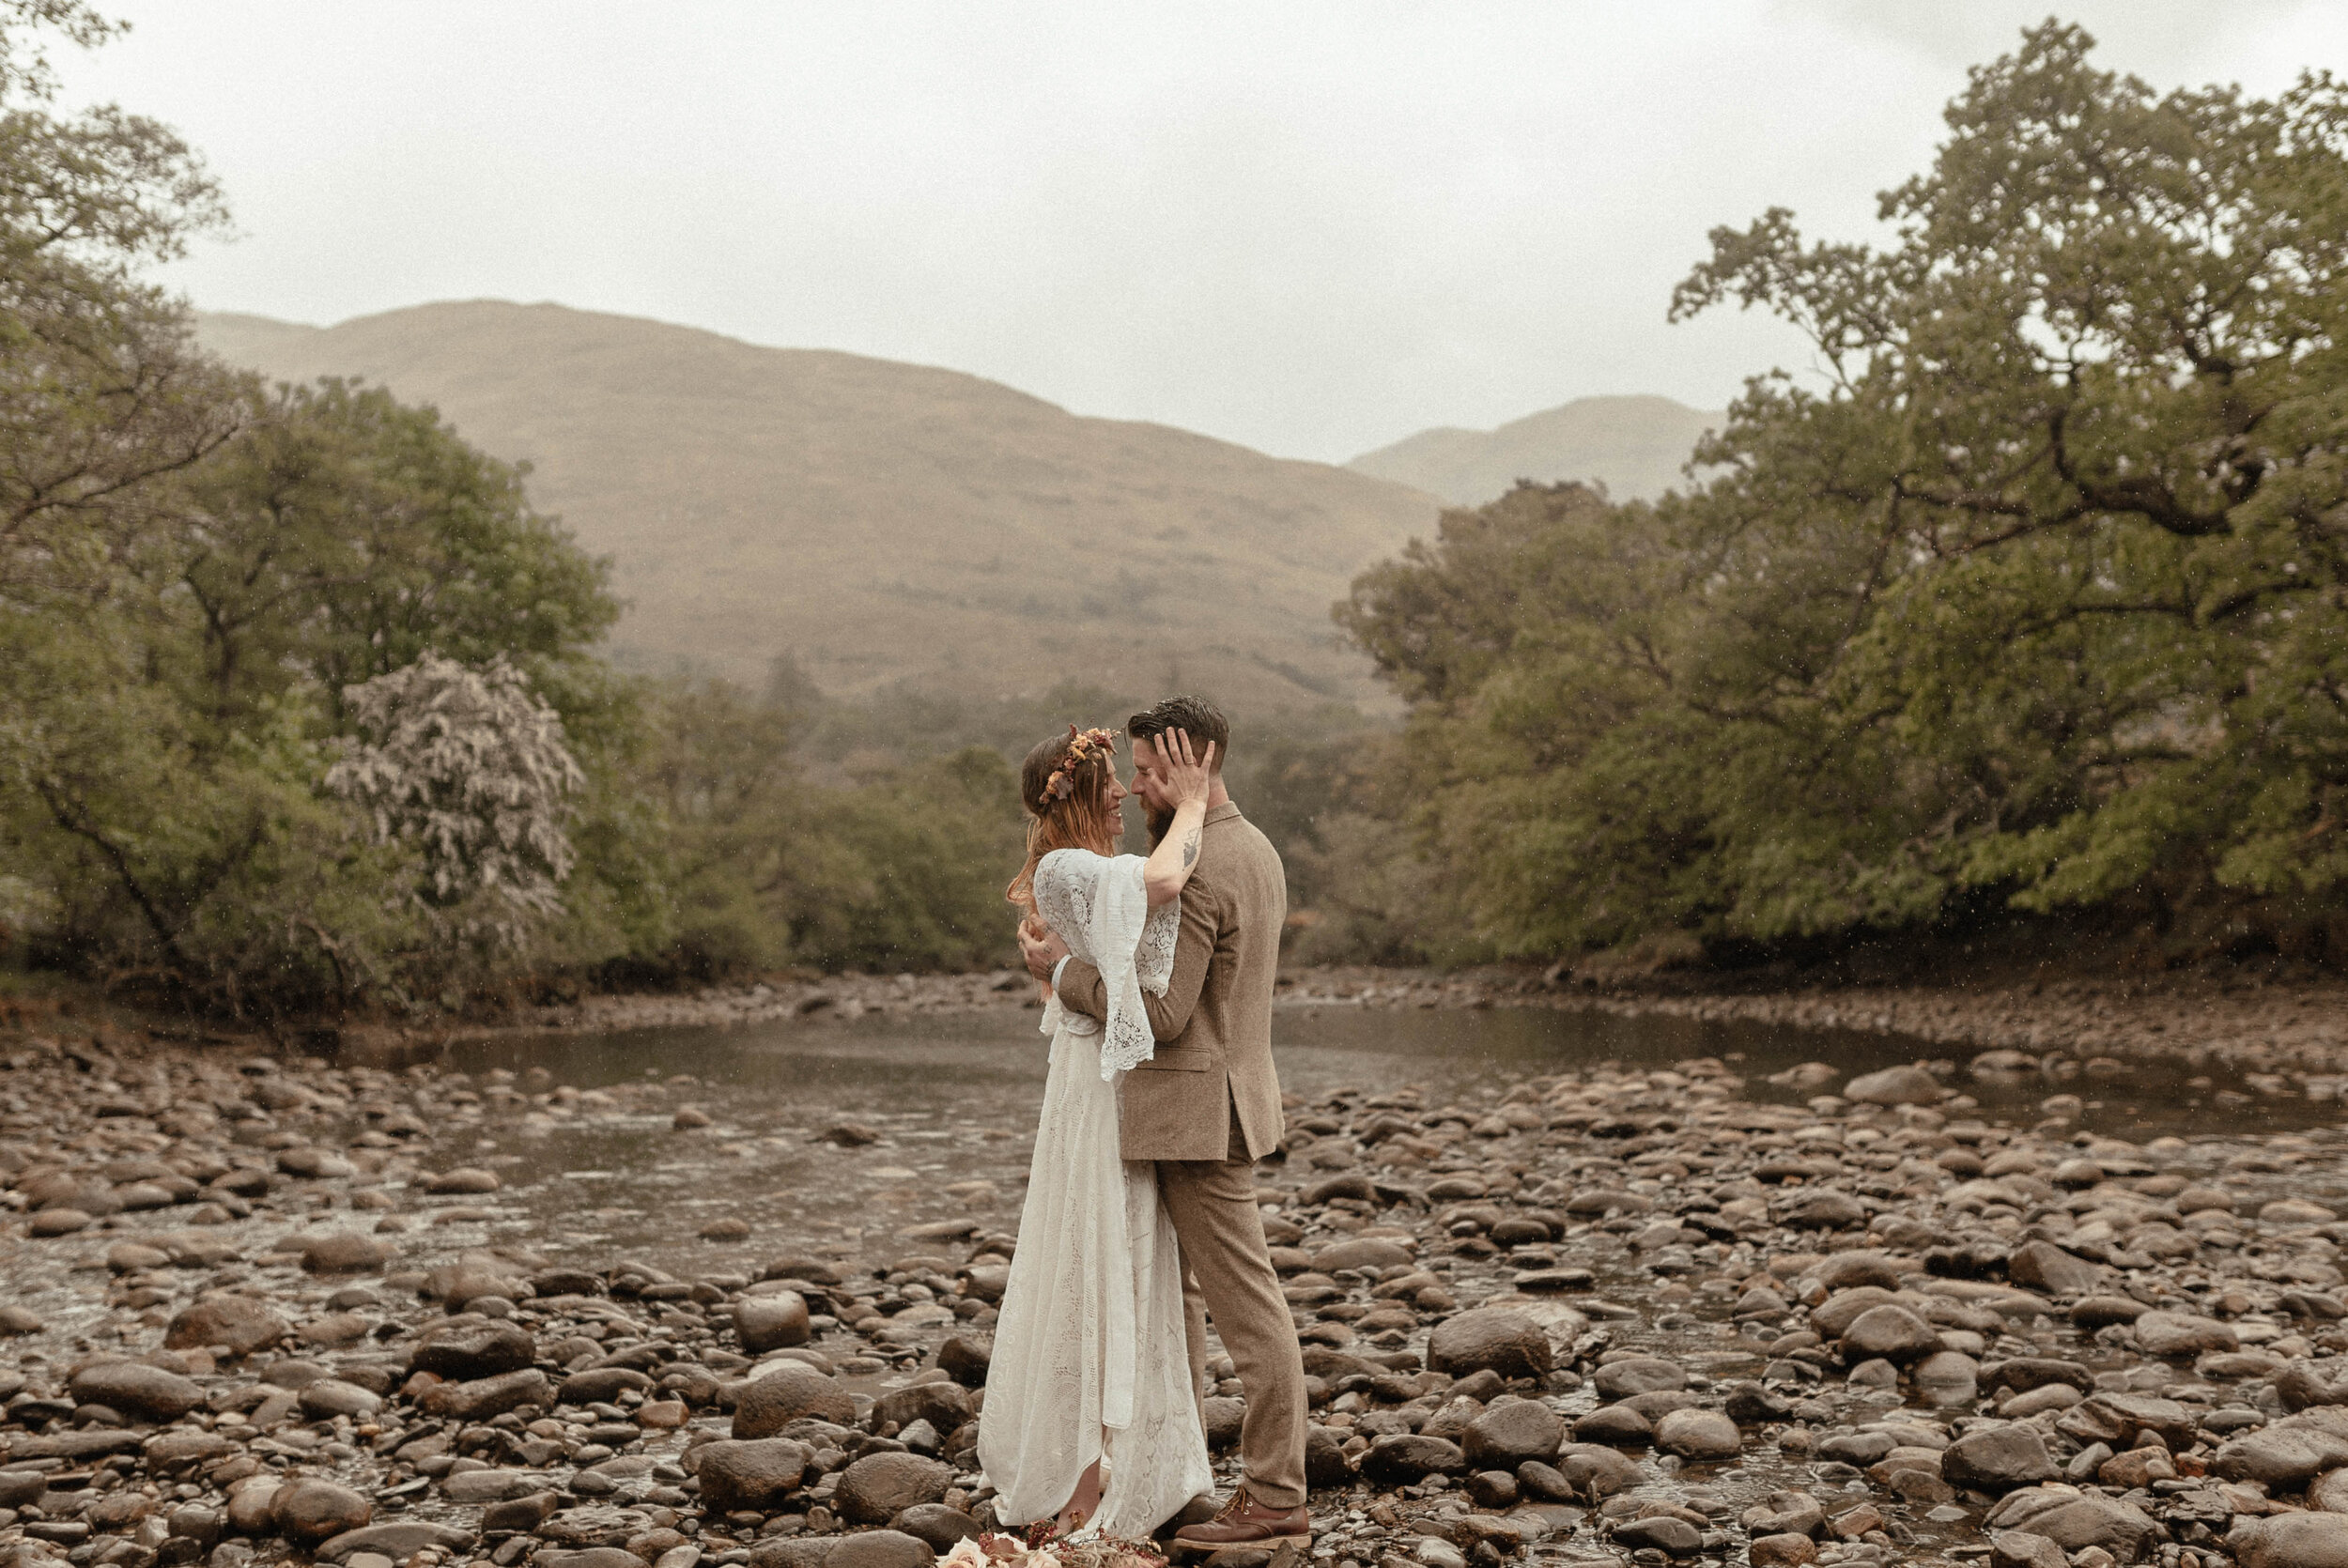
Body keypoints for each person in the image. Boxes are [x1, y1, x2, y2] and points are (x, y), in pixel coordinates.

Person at [1019, 696, 1312, 1559]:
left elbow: (1167, 1012)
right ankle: (1180, 1474)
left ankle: (1275, 1496)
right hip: (1220, 1101)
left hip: (1194, 1114)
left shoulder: (1203, 868)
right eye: (1135, 773)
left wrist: (1068, 973)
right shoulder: (1251, 846)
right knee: (1177, 1308)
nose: (1138, 786)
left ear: (1199, 762)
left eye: (1149, 771)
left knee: (1248, 1311)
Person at [979, 721, 1217, 1541]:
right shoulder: (1066, 867)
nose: (1121, 794)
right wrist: (1191, 805)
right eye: (1109, 783)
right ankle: (1087, 1470)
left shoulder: (1088, 869)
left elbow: (1099, 963)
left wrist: (1051, 969)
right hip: (1097, 1088)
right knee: (1095, 1252)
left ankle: (1134, 1455)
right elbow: (1159, 884)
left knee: (1128, 1254)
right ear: (1076, 795)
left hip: (1115, 1080)